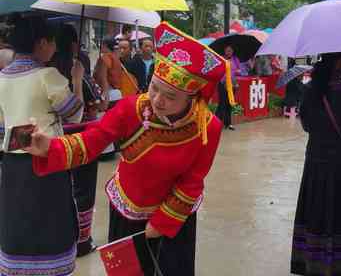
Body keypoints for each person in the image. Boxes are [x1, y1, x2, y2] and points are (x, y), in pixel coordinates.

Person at [25, 22, 233, 276]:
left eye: (170, 96)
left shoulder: (207, 127)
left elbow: (193, 180)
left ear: (193, 98)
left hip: (175, 215)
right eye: (155, 88)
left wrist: (163, 222)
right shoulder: (130, 109)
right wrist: (50, 147)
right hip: (128, 207)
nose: (157, 100)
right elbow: (94, 140)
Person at [0, 15, 84, 275]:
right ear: (41, 43)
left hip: (12, 163)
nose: (55, 48)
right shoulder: (48, 75)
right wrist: (77, 79)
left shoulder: (2, 77)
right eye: (52, 43)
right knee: (49, 219)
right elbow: (74, 113)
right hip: (46, 158)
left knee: (18, 217)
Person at [291, 52, 341, 276]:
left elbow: (306, 126)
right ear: (339, 62)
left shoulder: (309, 91)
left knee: (316, 213)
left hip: (315, 164)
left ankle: (314, 265)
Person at [52, 24, 104, 256]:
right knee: (84, 191)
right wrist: (87, 77)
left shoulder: (47, 72)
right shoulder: (79, 71)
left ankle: (61, 237)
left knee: (62, 189)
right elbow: (99, 104)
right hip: (82, 140)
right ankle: (82, 242)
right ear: (73, 44)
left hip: (56, 141)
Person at [216, 45, 240, 130]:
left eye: (231, 50)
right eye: (227, 50)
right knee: (222, 103)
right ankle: (217, 123)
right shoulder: (221, 59)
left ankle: (228, 123)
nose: (229, 52)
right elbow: (218, 71)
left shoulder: (235, 59)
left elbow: (239, 70)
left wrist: (238, 71)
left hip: (232, 84)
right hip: (222, 84)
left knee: (230, 103)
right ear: (224, 51)